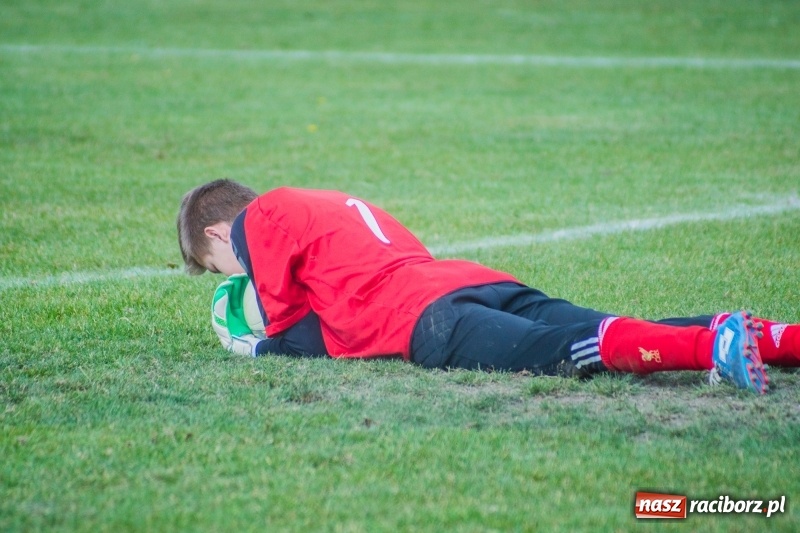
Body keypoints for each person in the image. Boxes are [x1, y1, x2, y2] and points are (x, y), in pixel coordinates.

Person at [177, 179, 797, 395]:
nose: (232, 276)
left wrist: (253, 347)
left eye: (215, 265)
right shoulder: (328, 202)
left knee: (573, 349)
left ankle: (713, 353)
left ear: (217, 232)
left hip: (425, 317)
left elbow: (293, 339)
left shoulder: (264, 219)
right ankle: (782, 339)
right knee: (608, 324)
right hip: (466, 280)